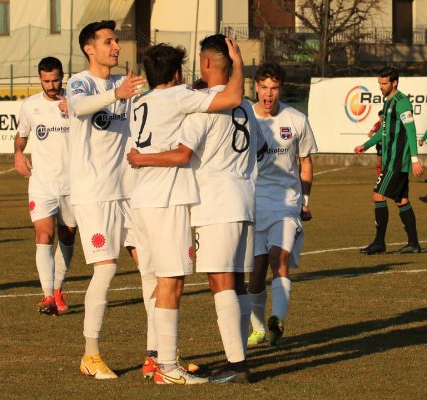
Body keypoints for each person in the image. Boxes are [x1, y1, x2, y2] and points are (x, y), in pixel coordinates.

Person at [127, 34, 258, 383]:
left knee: (215, 281)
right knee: (235, 282)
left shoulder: (195, 103)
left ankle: (233, 363)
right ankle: (229, 357)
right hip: (244, 195)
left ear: (205, 64)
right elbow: (255, 144)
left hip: (210, 200)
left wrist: (140, 159)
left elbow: (184, 153)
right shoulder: (244, 106)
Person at [66, 20, 148, 380]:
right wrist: (118, 95)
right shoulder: (80, 82)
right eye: (109, 41)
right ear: (90, 48)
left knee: (152, 268)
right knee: (107, 269)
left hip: (129, 191)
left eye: (116, 41)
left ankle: (158, 354)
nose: (116, 47)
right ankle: (90, 354)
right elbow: (79, 107)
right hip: (93, 194)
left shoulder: (123, 83)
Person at [246, 63, 318, 348]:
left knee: (280, 260)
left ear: (281, 89)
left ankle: (277, 320)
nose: (268, 94)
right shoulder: (245, 116)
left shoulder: (296, 119)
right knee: (255, 273)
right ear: (256, 88)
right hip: (252, 203)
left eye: (274, 88)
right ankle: (259, 328)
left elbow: (306, 161)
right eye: (263, 87)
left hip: (286, 203)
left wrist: (306, 201)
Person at [14, 57, 76, 316]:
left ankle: (58, 288)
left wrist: (73, 111)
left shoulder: (75, 102)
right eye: (46, 81)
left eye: (55, 80)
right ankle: (48, 296)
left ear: (63, 76)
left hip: (73, 183)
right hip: (41, 183)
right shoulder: (30, 106)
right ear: (40, 79)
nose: (51, 86)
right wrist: (18, 153)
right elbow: (22, 135)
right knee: (43, 235)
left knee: (68, 235)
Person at [354, 67, 423, 255]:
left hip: (396, 161)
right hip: (392, 160)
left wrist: (415, 160)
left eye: (384, 84)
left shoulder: (401, 103)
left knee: (378, 195)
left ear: (395, 83)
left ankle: (379, 242)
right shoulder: (388, 102)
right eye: (379, 83)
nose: (381, 87)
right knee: (401, 200)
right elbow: (383, 132)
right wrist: (366, 144)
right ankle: (414, 244)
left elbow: (410, 131)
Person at [367, 110, 384, 176]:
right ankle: (380, 175)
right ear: (379, 116)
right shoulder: (377, 125)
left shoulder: (388, 124)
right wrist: (377, 140)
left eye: (383, 116)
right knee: (379, 160)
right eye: (381, 116)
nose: (382, 117)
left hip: (388, 145)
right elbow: (369, 134)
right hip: (380, 145)